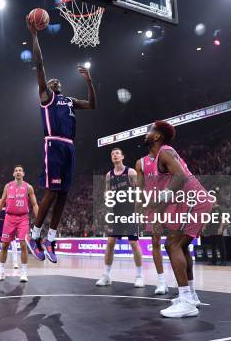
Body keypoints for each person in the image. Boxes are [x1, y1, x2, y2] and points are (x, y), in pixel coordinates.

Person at [25, 20, 96, 263]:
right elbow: (39, 64)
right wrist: (34, 35)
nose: (55, 82)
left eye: (57, 82)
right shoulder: (47, 97)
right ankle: (33, 236)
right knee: (51, 191)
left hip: (69, 146)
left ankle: (51, 239)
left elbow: (92, 105)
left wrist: (89, 82)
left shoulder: (69, 100)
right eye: (52, 81)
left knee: (64, 194)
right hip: (54, 143)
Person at [141, 120, 214, 318]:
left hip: (193, 200)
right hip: (193, 201)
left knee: (172, 244)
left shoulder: (165, 151)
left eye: (150, 130)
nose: (146, 132)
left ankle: (187, 301)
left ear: (157, 136)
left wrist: (161, 198)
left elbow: (181, 176)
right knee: (180, 246)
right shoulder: (162, 156)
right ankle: (191, 295)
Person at [96, 148, 145, 288]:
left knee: (134, 243)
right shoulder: (109, 175)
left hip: (130, 212)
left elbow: (139, 192)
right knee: (110, 242)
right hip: (116, 213)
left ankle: (139, 276)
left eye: (117, 153)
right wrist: (107, 198)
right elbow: (107, 191)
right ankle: (106, 276)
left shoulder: (130, 172)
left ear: (122, 156)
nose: (114, 155)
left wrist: (138, 211)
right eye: (112, 154)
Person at [0, 165, 39, 282]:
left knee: (23, 244)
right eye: (16, 171)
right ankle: (1, 272)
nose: (18, 172)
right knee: (4, 245)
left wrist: (39, 219)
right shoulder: (8, 186)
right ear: (13, 174)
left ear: (23, 174)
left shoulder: (28, 187)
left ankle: (23, 273)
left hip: (23, 218)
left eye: (20, 171)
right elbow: (1, 201)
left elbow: (34, 205)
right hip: (9, 219)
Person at [136, 155, 169, 295]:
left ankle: (187, 287)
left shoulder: (168, 155)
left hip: (171, 202)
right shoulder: (141, 163)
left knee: (176, 245)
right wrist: (138, 209)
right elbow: (139, 188)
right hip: (153, 206)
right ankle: (161, 282)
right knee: (155, 242)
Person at [0, 199, 19, 269]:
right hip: (1, 224)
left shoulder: (12, 201)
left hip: (10, 224)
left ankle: (15, 263)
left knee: (13, 244)